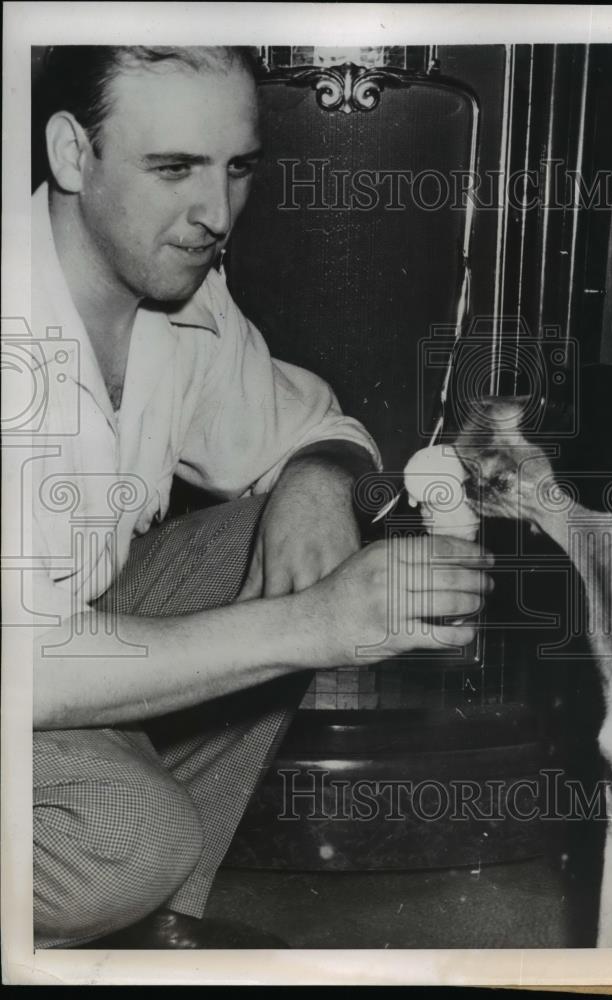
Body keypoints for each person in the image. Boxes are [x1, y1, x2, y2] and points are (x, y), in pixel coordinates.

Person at [29, 46, 491, 949]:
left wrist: (316, 480)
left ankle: (146, 926)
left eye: (236, 169)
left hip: (56, 642)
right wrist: (316, 625)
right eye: (173, 170)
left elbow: (310, 420)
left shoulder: (175, 295)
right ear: (70, 153)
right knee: (127, 835)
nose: (214, 215)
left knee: (267, 538)